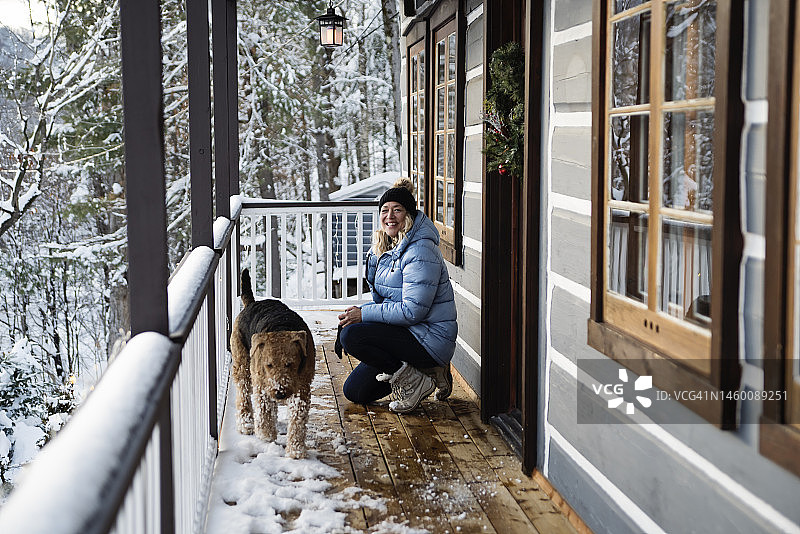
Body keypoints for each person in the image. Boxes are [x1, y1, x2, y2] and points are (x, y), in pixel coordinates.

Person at [338, 178, 458, 413]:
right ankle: (430, 371)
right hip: (408, 332)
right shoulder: (388, 246)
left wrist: (363, 315)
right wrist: (353, 316)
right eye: (385, 211)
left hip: (430, 339)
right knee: (355, 392)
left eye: (397, 210)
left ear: (409, 215)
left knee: (353, 335)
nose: (390, 216)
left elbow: (413, 310)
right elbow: (382, 300)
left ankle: (417, 379)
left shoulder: (420, 250)